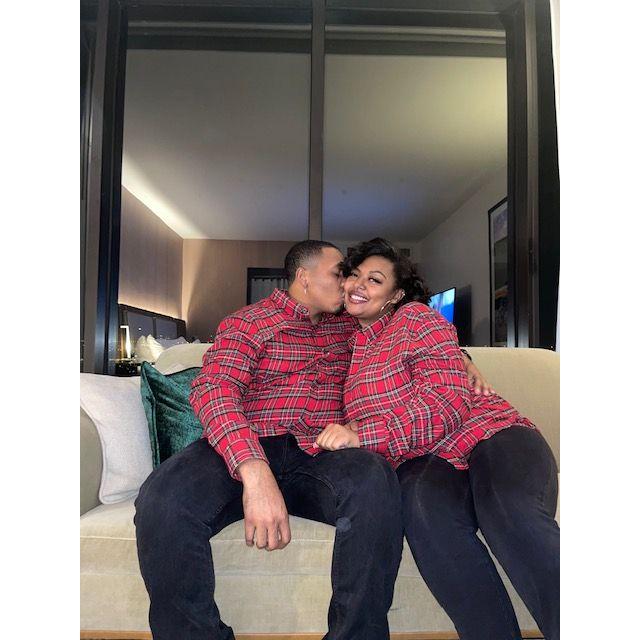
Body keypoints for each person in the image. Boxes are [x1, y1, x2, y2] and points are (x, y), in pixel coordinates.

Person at [315, 238, 560, 640]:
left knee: (504, 508)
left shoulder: (415, 319)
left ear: (395, 295)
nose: (358, 285)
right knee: (421, 511)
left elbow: (446, 402)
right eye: (355, 275)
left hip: (491, 434)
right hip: (426, 460)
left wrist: (362, 433)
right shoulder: (345, 337)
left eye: (374, 280)